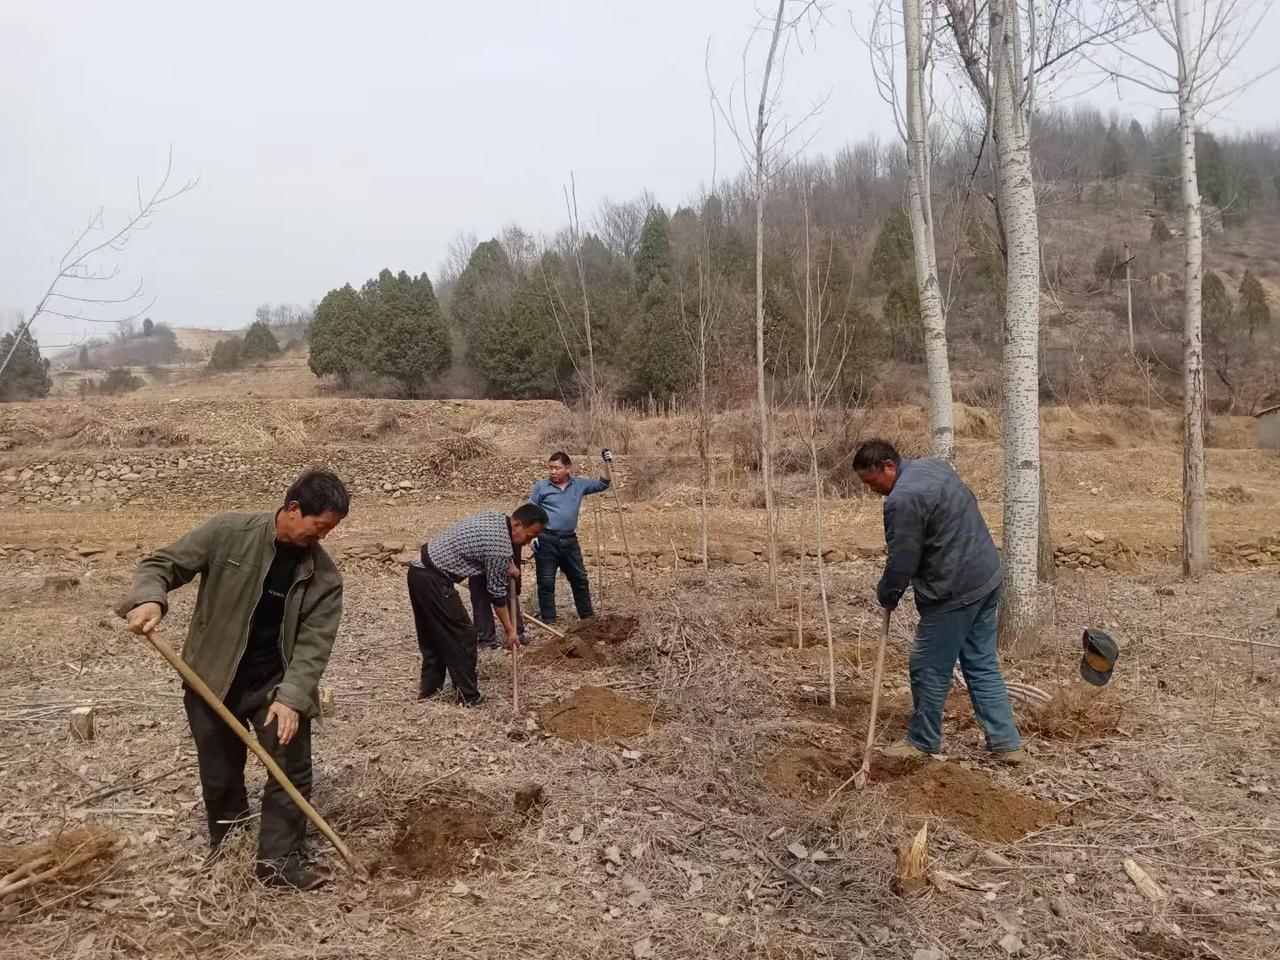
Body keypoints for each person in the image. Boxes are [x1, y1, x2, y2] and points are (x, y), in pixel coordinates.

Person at [116, 469, 350, 891]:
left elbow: (315, 646)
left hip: (274, 686)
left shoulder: (324, 578)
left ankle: (278, 863)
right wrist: (150, 597)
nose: (322, 539)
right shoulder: (229, 533)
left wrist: (293, 697)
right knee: (220, 772)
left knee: (290, 770)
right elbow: (163, 563)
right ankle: (229, 847)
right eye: (319, 528)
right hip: (212, 676)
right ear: (294, 509)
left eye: (329, 531)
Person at [852, 439, 1025, 764]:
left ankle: (922, 741)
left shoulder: (902, 500)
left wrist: (888, 592)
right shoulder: (933, 467)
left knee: (928, 666)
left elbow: (903, 559)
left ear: (889, 466)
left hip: (954, 591)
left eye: (872, 482)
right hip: (987, 576)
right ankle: (1007, 744)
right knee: (981, 662)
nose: (872, 490)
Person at [407, 503, 547, 705]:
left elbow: (484, 547)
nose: (528, 542)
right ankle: (468, 697)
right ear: (517, 524)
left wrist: (508, 564)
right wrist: (510, 630)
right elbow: (497, 595)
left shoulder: (498, 519)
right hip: (433, 579)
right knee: (464, 636)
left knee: (432, 634)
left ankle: (430, 691)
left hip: (418, 571)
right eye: (529, 535)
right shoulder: (500, 547)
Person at [528, 450, 612, 624]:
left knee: (579, 578)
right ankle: (549, 620)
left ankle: (587, 618)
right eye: (550, 468)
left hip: (569, 540)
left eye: (557, 468)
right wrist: (532, 536)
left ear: (567, 468)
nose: (552, 472)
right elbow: (531, 511)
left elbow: (603, 484)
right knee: (545, 582)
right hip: (546, 539)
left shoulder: (579, 484)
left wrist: (607, 464)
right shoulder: (541, 486)